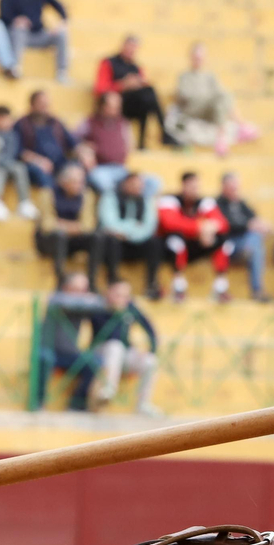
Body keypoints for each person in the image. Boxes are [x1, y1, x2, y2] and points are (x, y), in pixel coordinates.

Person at [164, 42, 260, 157]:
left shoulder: (210, 76)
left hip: (209, 110)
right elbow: (186, 97)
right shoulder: (185, 76)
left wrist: (211, 98)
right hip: (192, 109)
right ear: (191, 57)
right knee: (222, 98)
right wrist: (207, 97)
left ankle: (224, 136)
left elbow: (220, 94)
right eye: (197, 57)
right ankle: (240, 126)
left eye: (201, 57)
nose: (199, 60)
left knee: (225, 98)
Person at [156, 172, 233, 302]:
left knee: (224, 241)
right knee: (176, 240)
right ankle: (178, 286)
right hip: (169, 247)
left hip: (197, 245)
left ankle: (220, 287)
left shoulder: (204, 202)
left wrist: (210, 229)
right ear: (183, 185)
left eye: (197, 187)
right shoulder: (169, 200)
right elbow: (170, 224)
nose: (195, 190)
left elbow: (222, 224)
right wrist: (200, 228)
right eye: (192, 186)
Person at [90, 279, 162, 416]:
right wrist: (116, 313)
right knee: (115, 346)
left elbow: (149, 329)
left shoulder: (130, 308)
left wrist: (150, 350)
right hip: (101, 350)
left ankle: (143, 404)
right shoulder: (99, 307)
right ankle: (109, 389)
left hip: (124, 353)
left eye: (126, 296)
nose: (122, 299)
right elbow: (111, 336)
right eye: (118, 294)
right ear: (108, 293)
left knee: (150, 361)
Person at [94, 36, 177, 150]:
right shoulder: (108, 63)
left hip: (135, 105)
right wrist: (123, 85)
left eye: (134, 48)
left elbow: (144, 86)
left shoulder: (136, 68)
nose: (131, 51)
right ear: (123, 46)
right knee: (148, 95)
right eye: (130, 47)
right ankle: (163, 133)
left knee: (147, 96)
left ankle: (146, 141)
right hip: (116, 105)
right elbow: (100, 89)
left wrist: (139, 84)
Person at [33, 271, 99, 411]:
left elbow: (102, 304)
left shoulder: (82, 306)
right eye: (76, 289)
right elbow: (61, 301)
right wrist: (87, 299)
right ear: (66, 287)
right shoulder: (56, 299)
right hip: (48, 348)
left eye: (84, 290)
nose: (80, 293)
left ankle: (77, 403)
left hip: (69, 353)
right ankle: (38, 401)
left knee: (93, 362)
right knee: (44, 358)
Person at [0, 0, 70, 84]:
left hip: (38, 34)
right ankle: (15, 67)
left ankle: (62, 72)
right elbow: (3, 14)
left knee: (61, 35)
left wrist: (62, 23)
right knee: (19, 30)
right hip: (18, 35)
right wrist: (16, 20)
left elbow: (60, 7)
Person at [94, 170, 163, 298]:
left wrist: (129, 234)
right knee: (110, 240)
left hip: (136, 241)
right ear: (125, 184)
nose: (138, 188)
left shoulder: (146, 200)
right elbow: (109, 223)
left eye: (140, 186)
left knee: (155, 243)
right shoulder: (111, 196)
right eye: (134, 185)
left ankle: (151, 283)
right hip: (116, 242)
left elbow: (149, 226)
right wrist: (132, 226)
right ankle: (112, 280)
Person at [217, 172, 270, 301]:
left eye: (236, 187)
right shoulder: (218, 203)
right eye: (232, 187)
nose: (235, 190)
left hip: (244, 241)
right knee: (255, 242)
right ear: (224, 186)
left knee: (256, 240)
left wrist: (263, 225)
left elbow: (254, 218)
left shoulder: (240, 203)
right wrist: (248, 225)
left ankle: (257, 290)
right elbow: (226, 225)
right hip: (227, 244)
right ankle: (257, 290)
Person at [14, 89, 79, 191]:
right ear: (32, 104)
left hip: (59, 163)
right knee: (40, 174)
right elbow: (19, 151)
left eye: (46, 104)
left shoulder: (56, 123)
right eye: (41, 103)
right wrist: (38, 160)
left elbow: (73, 143)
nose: (44, 106)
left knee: (75, 171)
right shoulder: (22, 124)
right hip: (35, 165)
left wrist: (85, 153)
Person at [43, 162, 97, 285]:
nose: (79, 186)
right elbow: (47, 225)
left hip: (72, 239)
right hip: (50, 240)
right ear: (63, 182)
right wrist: (76, 226)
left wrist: (61, 224)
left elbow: (88, 226)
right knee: (59, 236)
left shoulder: (87, 195)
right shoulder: (48, 193)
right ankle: (60, 281)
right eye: (75, 182)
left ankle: (92, 281)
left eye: (81, 182)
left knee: (96, 237)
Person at [75, 91, 132, 196]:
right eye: (112, 107)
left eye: (118, 107)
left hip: (120, 168)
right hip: (99, 168)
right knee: (105, 184)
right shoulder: (89, 122)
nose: (116, 110)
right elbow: (74, 140)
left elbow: (129, 145)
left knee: (148, 183)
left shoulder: (123, 123)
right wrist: (84, 149)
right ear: (102, 106)